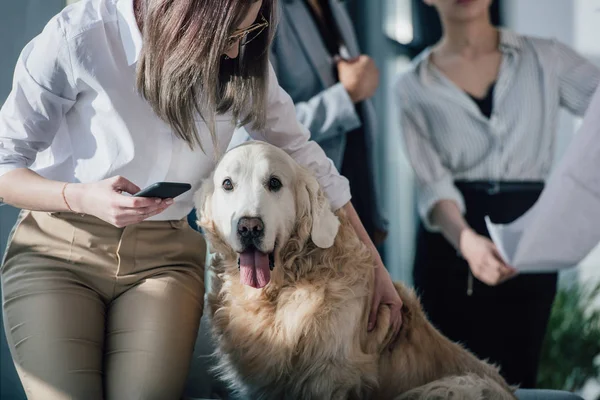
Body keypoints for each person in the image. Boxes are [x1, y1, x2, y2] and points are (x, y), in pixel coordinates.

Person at [0, 0, 402, 398]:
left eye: (247, 34)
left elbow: (307, 159)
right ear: (188, 11)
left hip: (165, 262)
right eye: (229, 34)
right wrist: (81, 197)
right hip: (58, 250)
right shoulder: (80, 35)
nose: (234, 49)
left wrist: (374, 266)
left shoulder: (242, 61)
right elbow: (4, 167)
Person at [395, 0, 600, 390]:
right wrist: (468, 243)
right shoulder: (412, 85)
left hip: (529, 240)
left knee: (517, 380)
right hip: (451, 246)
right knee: (449, 385)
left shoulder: (546, 57)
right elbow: (432, 186)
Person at [229, 0, 388, 246]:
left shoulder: (335, 7)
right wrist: (344, 96)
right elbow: (251, 134)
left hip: (352, 201)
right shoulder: (261, 9)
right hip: (297, 221)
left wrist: (373, 211)